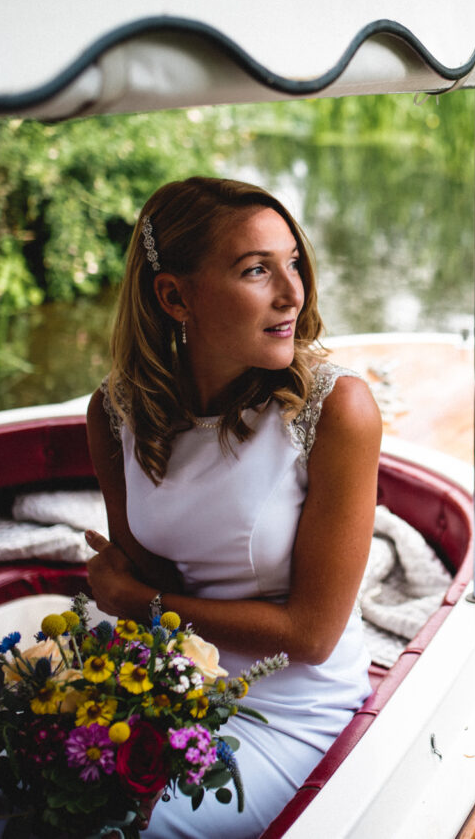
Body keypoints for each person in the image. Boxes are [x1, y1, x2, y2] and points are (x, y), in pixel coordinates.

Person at [80, 176, 380, 836]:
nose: (292, 293)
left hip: (289, 709)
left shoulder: (337, 410)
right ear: (174, 296)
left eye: (293, 262)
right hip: (164, 684)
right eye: (255, 270)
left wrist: (136, 604)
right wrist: (136, 615)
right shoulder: (115, 413)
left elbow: (312, 635)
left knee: (127, 829)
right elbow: (145, 574)